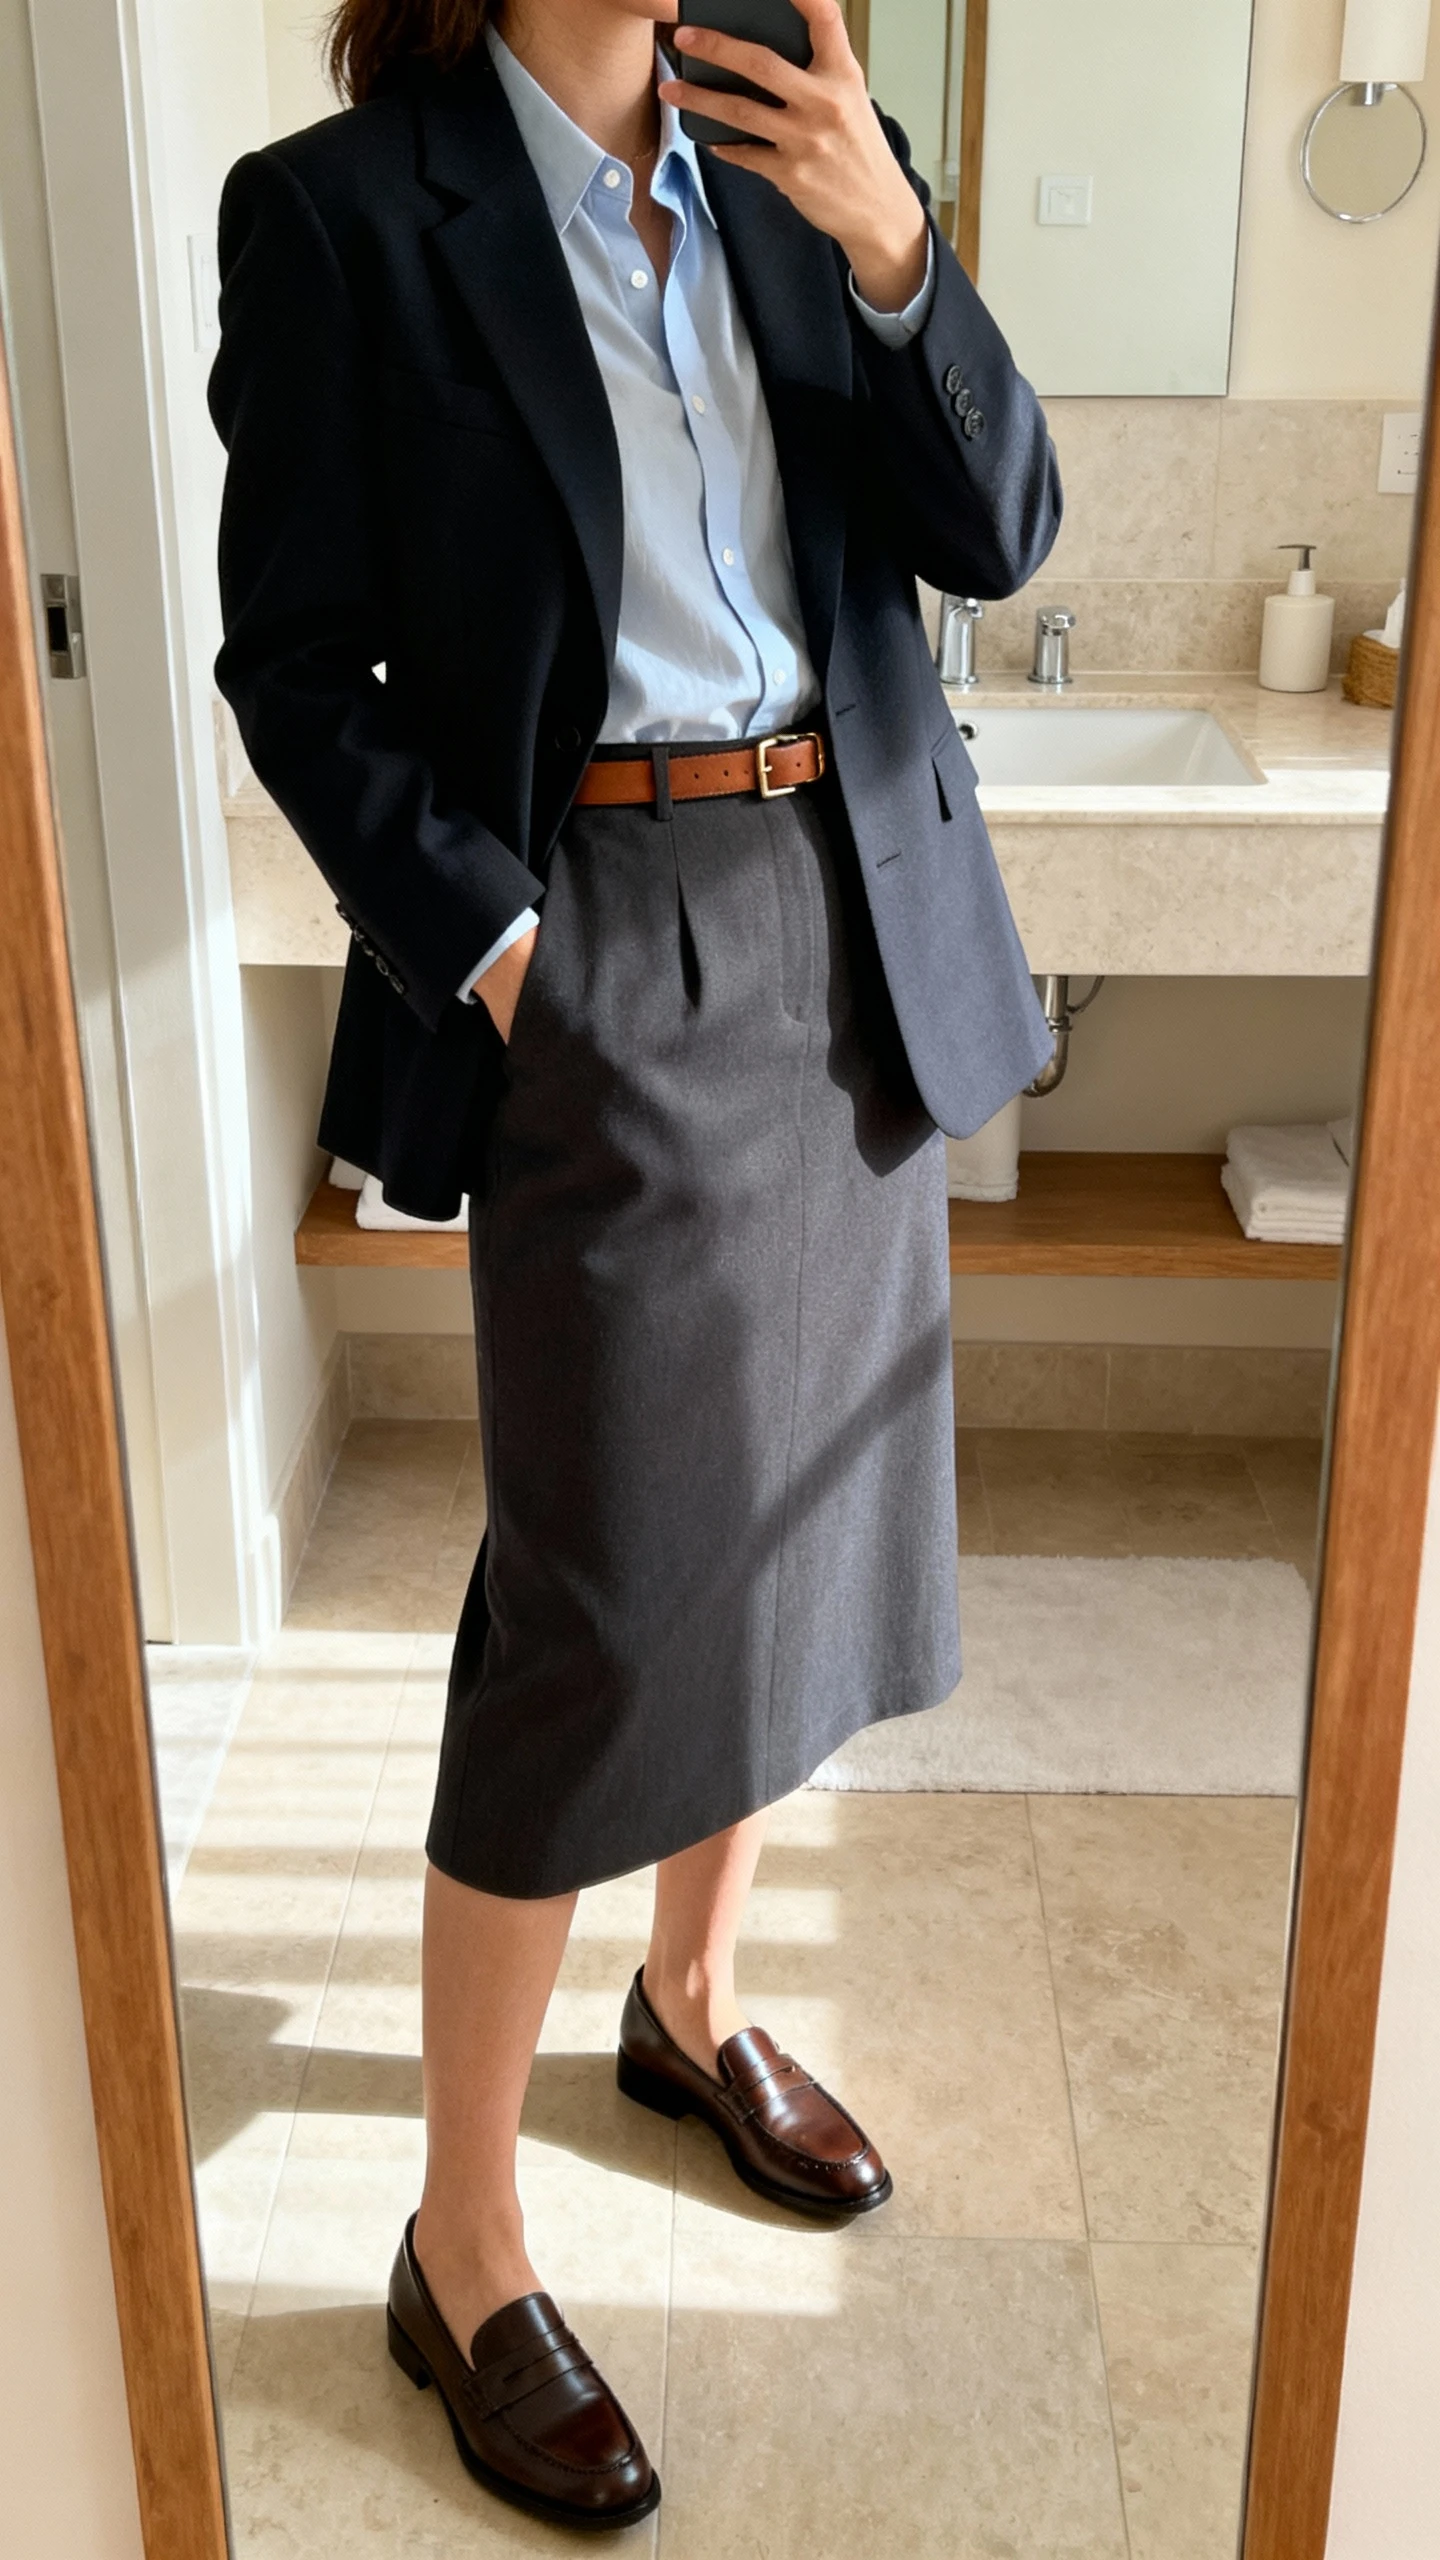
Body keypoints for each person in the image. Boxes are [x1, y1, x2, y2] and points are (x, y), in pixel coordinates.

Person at [209, 0, 1059, 2526]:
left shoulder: (811, 168)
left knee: (804, 1522)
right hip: (601, 937)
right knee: (591, 1600)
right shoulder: (346, 214)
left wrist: (895, 240)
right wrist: (502, 955)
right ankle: (458, 2234)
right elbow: (294, 667)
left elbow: (997, 528)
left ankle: (689, 2002)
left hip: (860, 919)